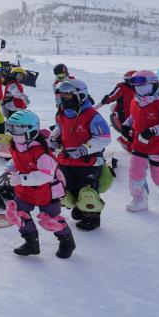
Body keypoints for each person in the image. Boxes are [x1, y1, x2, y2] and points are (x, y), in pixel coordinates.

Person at [1, 110, 76, 258]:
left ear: (32, 131)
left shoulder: (41, 152)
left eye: (17, 130)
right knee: (17, 214)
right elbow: (17, 159)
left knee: (50, 220)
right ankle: (31, 244)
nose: (13, 134)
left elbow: (46, 175)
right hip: (25, 189)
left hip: (47, 191)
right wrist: (9, 169)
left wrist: (21, 179)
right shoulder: (16, 144)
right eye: (11, 128)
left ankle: (67, 242)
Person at [50, 80, 111, 231]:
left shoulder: (92, 116)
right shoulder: (62, 112)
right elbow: (59, 127)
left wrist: (84, 149)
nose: (63, 98)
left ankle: (92, 218)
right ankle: (79, 207)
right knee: (67, 189)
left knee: (87, 192)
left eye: (67, 95)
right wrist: (54, 138)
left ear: (80, 95)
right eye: (61, 95)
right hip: (67, 160)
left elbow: (104, 138)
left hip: (88, 162)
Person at [123, 70, 159, 213]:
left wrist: (152, 131)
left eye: (143, 85)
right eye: (136, 85)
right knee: (135, 174)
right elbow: (134, 117)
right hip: (139, 145)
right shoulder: (135, 101)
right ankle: (139, 200)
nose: (139, 88)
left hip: (158, 147)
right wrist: (126, 125)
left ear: (153, 84)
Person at [100, 71, 137, 149]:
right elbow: (113, 96)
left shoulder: (138, 89)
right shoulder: (122, 88)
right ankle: (128, 144)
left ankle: (135, 145)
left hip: (135, 114)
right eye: (135, 80)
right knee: (129, 131)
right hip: (124, 114)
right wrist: (106, 100)